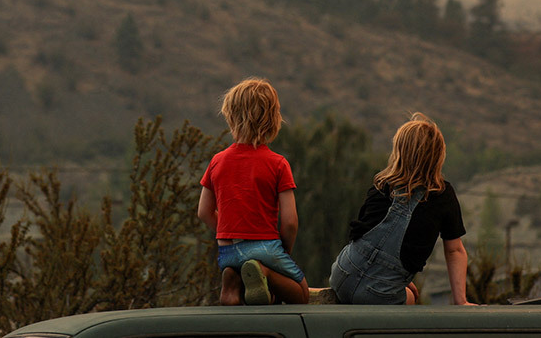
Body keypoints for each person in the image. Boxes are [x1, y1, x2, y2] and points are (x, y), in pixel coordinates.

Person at [330, 113, 472, 305]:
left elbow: (363, 236)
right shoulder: (442, 194)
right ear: (438, 155)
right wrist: (461, 301)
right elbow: (454, 251)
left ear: (399, 151)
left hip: (342, 275)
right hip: (379, 294)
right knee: (411, 298)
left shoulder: (381, 184)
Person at [198, 78, 310, 305]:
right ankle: (264, 273)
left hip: (227, 249)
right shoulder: (278, 164)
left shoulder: (217, 161)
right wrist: (282, 251)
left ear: (230, 116)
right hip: (264, 247)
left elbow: (203, 212)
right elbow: (289, 222)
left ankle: (232, 280)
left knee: (249, 281)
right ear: (273, 120)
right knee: (302, 293)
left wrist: (228, 229)